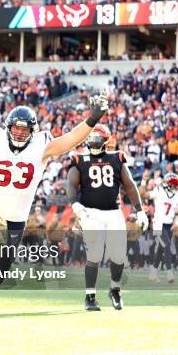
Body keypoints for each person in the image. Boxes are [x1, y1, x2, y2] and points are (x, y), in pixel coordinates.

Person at [0, 72, 109, 329]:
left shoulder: (41, 147)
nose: (20, 134)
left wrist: (92, 119)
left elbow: (69, 140)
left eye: (25, 130)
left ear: (33, 131)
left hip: (16, 219)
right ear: (8, 128)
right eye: (16, 129)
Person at [67, 124, 148, 310]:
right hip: (90, 212)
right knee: (94, 254)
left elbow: (129, 185)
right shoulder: (79, 159)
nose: (94, 142)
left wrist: (140, 209)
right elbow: (71, 183)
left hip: (113, 212)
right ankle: (89, 297)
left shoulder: (116, 157)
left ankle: (115, 289)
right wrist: (74, 202)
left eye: (97, 138)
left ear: (106, 141)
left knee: (119, 256)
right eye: (92, 138)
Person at [147, 173, 178, 283]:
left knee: (160, 249)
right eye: (175, 184)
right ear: (170, 184)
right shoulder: (159, 190)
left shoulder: (177, 195)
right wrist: (144, 182)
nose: (177, 186)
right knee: (167, 245)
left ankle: (153, 273)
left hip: (168, 225)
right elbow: (143, 194)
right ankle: (169, 273)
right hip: (159, 224)